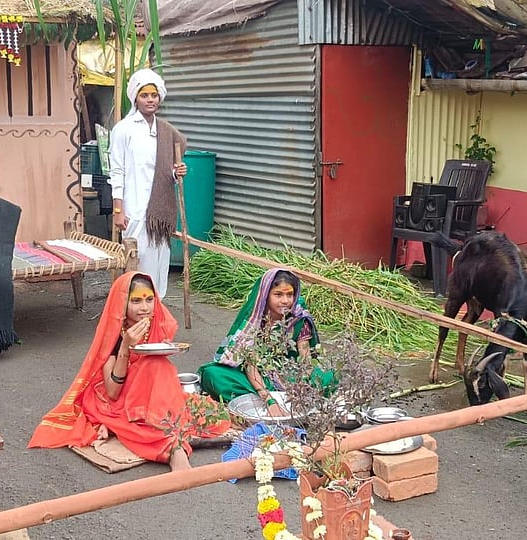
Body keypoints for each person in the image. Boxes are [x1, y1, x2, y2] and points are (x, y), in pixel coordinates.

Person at [29, 272, 230, 472]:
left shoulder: (156, 323)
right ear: (122, 304)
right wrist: (125, 346)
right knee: (156, 371)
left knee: (211, 413)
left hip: (150, 394)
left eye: (149, 299)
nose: (144, 307)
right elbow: (112, 392)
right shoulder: (113, 334)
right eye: (136, 301)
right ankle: (175, 449)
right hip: (119, 399)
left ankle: (158, 428)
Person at [198, 269, 333, 408]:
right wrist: (268, 399)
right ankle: (265, 399)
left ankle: (256, 400)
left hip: (290, 374)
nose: (285, 301)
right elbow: (250, 365)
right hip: (256, 376)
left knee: (328, 376)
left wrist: (300, 387)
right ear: (265, 295)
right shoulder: (254, 321)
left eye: (290, 295)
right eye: (278, 295)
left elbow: (305, 360)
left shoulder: (298, 318)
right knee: (213, 375)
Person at [109, 69, 188, 299]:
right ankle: (135, 306)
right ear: (135, 98)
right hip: (134, 209)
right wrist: (118, 209)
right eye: (144, 95)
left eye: (154, 95)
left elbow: (164, 170)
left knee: (160, 260)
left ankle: (156, 306)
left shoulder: (164, 130)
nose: (150, 100)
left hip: (159, 212)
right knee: (138, 260)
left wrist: (176, 172)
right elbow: (117, 170)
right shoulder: (124, 129)